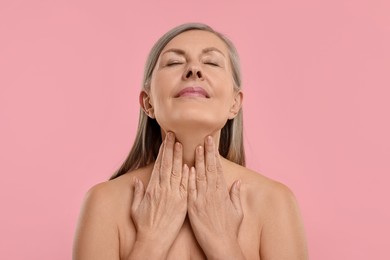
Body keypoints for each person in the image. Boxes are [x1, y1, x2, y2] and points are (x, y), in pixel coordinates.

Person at [73, 23, 308, 260]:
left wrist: (223, 242)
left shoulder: (274, 203)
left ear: (234, 104)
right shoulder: (103, 204)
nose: (194, 70)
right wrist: (151, 240)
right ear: (148, 103)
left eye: (212, 62)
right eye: (174, 62)